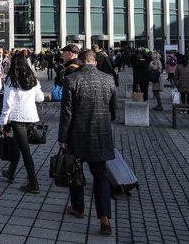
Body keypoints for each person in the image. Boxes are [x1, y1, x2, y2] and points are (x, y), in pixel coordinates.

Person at [59, 49, 116, 236]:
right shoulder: (108, 79)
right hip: (101, 134)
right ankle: (105, 217)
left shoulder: (72, 79)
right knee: (100, 176)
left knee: (75, 171)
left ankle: (78, 208)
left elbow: (66, 112)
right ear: (96, 63)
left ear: (81, 62)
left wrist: (62, 138)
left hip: (77, 134)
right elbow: (113, 110)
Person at [0, 53, 44, 193]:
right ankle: (10, 173)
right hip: (31, 118)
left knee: (25, 152)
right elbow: (40, 97)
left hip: (18, 119)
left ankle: (33, 183)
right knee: (18, 146)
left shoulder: (12, 80)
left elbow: (7, 103)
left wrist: (2, 122)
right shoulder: (32, 78)